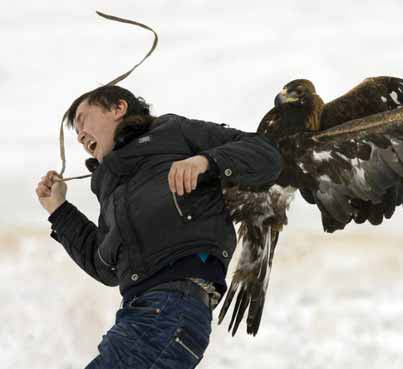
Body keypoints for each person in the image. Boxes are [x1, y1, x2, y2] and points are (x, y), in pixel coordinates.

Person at [35, 85, 283, 368]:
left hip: (172, 305)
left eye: (83, 120)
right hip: (142, 313)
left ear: (118, 108)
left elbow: (266, 154)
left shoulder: (172, 132)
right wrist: (59, 210)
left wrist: (206, 161)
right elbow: (104, 266)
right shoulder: (110, 186)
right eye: (75, 132)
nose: (79, 136)